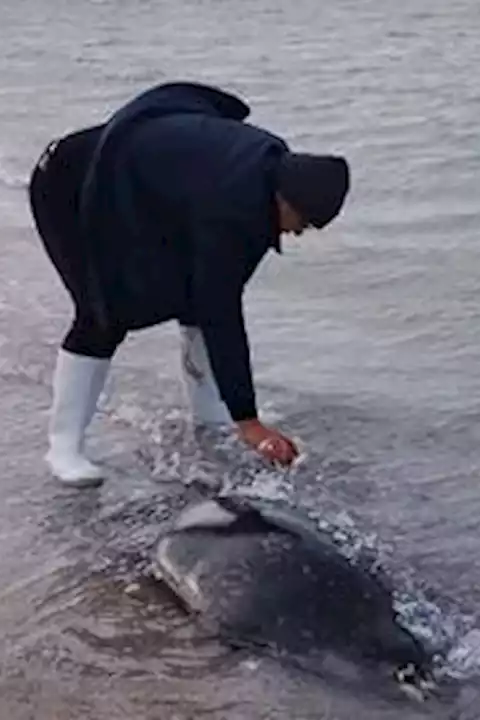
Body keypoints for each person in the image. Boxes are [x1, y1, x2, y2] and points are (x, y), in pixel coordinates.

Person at [27, 81, 350, 487]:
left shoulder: (264, 170)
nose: (299, 233)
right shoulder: (233, 203)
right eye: (303, 222)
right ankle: (64, 447)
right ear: (284, 200)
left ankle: (211, 421)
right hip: (68, 182)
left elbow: (212, 299)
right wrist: (250, 422)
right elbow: (223, 310)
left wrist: (240, 415)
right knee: (103, 314)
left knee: (194, 298)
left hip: (138, 187)